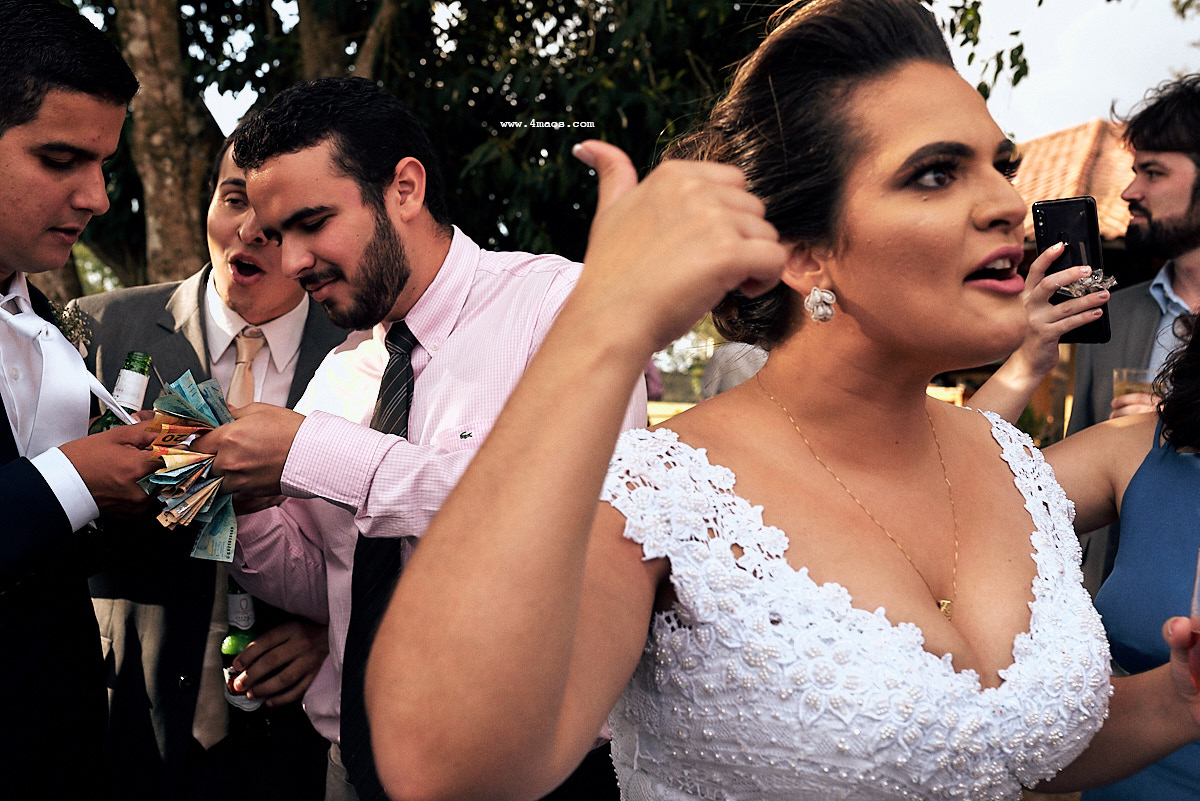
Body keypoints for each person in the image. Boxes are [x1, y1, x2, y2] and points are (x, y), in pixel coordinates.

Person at [362, 2, 1200, 800]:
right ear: (804, 255)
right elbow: (444, 766)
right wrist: (601, 326)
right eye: (936, 174)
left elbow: (1004, 746)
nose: (1010, 206)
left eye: (1001, 166)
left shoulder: (1013, 462)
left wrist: (1180, 696)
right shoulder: (660, 494)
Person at [191, 77, 646, 801]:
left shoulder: (557, 306)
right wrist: (238, 501)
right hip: (350, 769)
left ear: (404, 188)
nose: (293, 261)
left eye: (313, 222)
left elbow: (572, 509)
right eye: (279, 236)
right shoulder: (344, 370)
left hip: (522, 780)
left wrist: (310, 452)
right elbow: (325, 580)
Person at [69, 134, 344, 801]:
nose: (249, 231)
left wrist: (334, 631)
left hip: (294, 735)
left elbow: (390, 543)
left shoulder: (362, 355)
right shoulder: (98, 330)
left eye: (279, 216)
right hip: (126, 709)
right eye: (234, 199)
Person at [0, 2, 157, 799]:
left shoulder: (45, 315)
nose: (96, 196)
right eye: (60, 158)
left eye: (103, 164)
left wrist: (133, 480)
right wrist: (73, 478)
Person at [1067, 74, 1200, 593]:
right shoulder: (1111, 313)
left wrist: (1170, 427)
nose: (1129, 192)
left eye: (1154, 172)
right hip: (1107, 608)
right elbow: (1068, 471)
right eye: (1133, 171)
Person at [700, 340, 767, 397]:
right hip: (757, 404)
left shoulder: (721, 353)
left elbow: (708, 391)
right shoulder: (763, 354)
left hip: (726, 404)